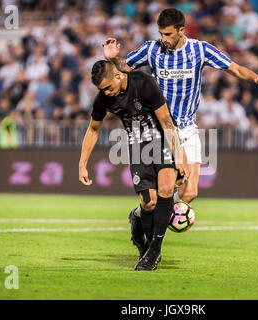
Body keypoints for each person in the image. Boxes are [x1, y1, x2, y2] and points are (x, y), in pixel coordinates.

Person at [102, 8, 258, 255]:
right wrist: (111, 59)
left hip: (188, 126)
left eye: (168, 34)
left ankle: (142, 214)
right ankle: (150, 220)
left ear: (181, 30)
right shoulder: (152, 49)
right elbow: (122, 69)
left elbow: (233, 67)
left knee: (190, 192)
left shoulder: (200, 50)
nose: (163, 38)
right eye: (161, 33)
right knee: (163, 191)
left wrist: (255, 78)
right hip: (162, 129)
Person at [78, 60, 190, 271]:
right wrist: (82, 164)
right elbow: (93, 129)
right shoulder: (103, 98)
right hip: (137, 146)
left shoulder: (144, 84)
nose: (107, 93)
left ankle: (154, 250)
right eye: (102, 90)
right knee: (149, 203)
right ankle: (143, 238)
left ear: (118, 76)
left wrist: (179, 156)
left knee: (166, 189)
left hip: (162, 140)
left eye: (108, 87)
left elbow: (166, 122)